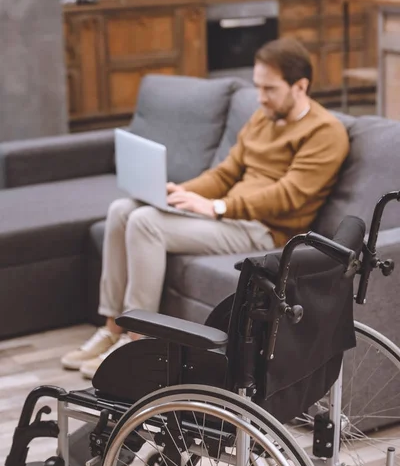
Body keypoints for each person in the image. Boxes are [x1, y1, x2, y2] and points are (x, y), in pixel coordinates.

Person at [61, 37, 349, 379]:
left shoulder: (326, 132)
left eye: (269, 89)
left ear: (300, 86)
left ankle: (136, 340)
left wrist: (218, 206)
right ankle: (112, 328)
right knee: (122, 209)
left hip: (263, 230)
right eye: (258, 87)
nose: (260, 97)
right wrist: (181, 192)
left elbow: (289, 196)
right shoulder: (263, 117)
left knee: (145, 223)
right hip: (231, 215)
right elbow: (227, 172)